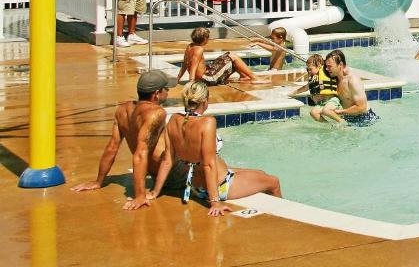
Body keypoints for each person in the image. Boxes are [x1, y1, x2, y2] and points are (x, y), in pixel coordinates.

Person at [156, 81, 281, 216]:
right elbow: (208, 165)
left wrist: (155, 191)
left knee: (261, 173)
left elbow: (167, 160)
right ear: (204, 100)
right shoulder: (207, 123)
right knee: (273, 182)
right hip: (221, 186)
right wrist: (215, 202)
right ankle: (281, 219)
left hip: (195, 186)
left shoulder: (174, 119)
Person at [71, 70, 182, 208]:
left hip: (156, 174)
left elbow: (112, 148)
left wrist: (98, 181)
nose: (168, 92)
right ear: (157, 93)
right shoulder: (156, 113)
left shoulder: (122, 110)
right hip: (174, 174)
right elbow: (141, 153)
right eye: (166, 89)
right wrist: (140, 195)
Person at [176, 27, 268, 85]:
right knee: (234, 57)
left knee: (229, 55)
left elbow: (184, 64)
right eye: (208, 38)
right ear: (204, 39)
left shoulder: (190, 46)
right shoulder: (199, 49)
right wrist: (191, 84)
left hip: (206, 74)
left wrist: (178, 79)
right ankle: (255, 78)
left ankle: (244, 76)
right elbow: (193, 68)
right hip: (206, 79)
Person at [314, 49, 378, 125]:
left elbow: (362, 107)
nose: (327, 69)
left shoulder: (352, 80)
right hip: (348, 117)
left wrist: (340, 112)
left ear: (340, 65)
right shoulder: (333, 78)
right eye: (326, 66)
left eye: (330, 66)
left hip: (365, 119)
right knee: (314, 112)